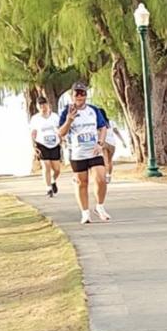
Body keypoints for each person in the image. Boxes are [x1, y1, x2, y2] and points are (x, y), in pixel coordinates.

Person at [57, 80, 111, 225]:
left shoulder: (93, 110)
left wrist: (100, 143)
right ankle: (85, 213)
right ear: (72, 95)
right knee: (82, 183)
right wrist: (69, 120)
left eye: (82, 94)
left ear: (86, 95)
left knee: (101, 178)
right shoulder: (66, 112)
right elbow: (61, 133)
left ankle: (99, 206)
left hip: (94, 151)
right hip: (77, 153)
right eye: (77, 94)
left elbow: (103, 127)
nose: (79, 97)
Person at [29, 97, 63, 197]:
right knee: (46, 165)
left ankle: (53, 181)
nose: (43, 107)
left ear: (48, 105)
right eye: (40, 105)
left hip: (54, 144)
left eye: (44, 104)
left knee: (57, 169)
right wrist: (33, 146)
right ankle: (48, 189)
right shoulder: (35, 119)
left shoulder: (55, 117)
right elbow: (33, 133)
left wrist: (61, 139)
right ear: (37, 106)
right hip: (42, 144)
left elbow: (59, 129)